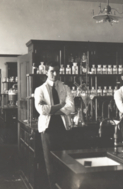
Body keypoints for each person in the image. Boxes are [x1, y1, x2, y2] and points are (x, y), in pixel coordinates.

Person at [34, 61, 75, 189]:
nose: (55, 74)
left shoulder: (65, 88)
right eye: (52, 71)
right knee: (49, 163)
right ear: (46, 72)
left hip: (63, 127)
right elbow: (41, 110)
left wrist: (52, 109)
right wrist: (61, 106)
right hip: (48, 129)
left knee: (64, 161)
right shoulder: (40, 90)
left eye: (57, 71)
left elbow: (72, 108)